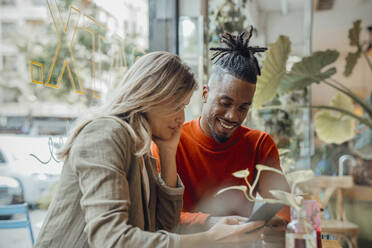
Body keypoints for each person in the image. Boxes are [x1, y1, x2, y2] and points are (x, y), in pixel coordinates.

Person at [34, 51, 264, 248]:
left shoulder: (141, 147)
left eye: (183, 107)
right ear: (150, 97)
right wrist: (208, 239)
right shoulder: (105, 135)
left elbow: (165, 226)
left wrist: (167, 152)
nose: (181, 118)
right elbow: (111, 240)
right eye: (175, 106)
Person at [152, 29, 290, 230]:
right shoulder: (170, 142)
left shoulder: (259, 145)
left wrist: (276, 222)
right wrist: (212, 222)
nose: (233, 116)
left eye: (243, 108)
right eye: (225, 103)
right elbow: (160, 216)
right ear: (206, 94)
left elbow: (284, 208)